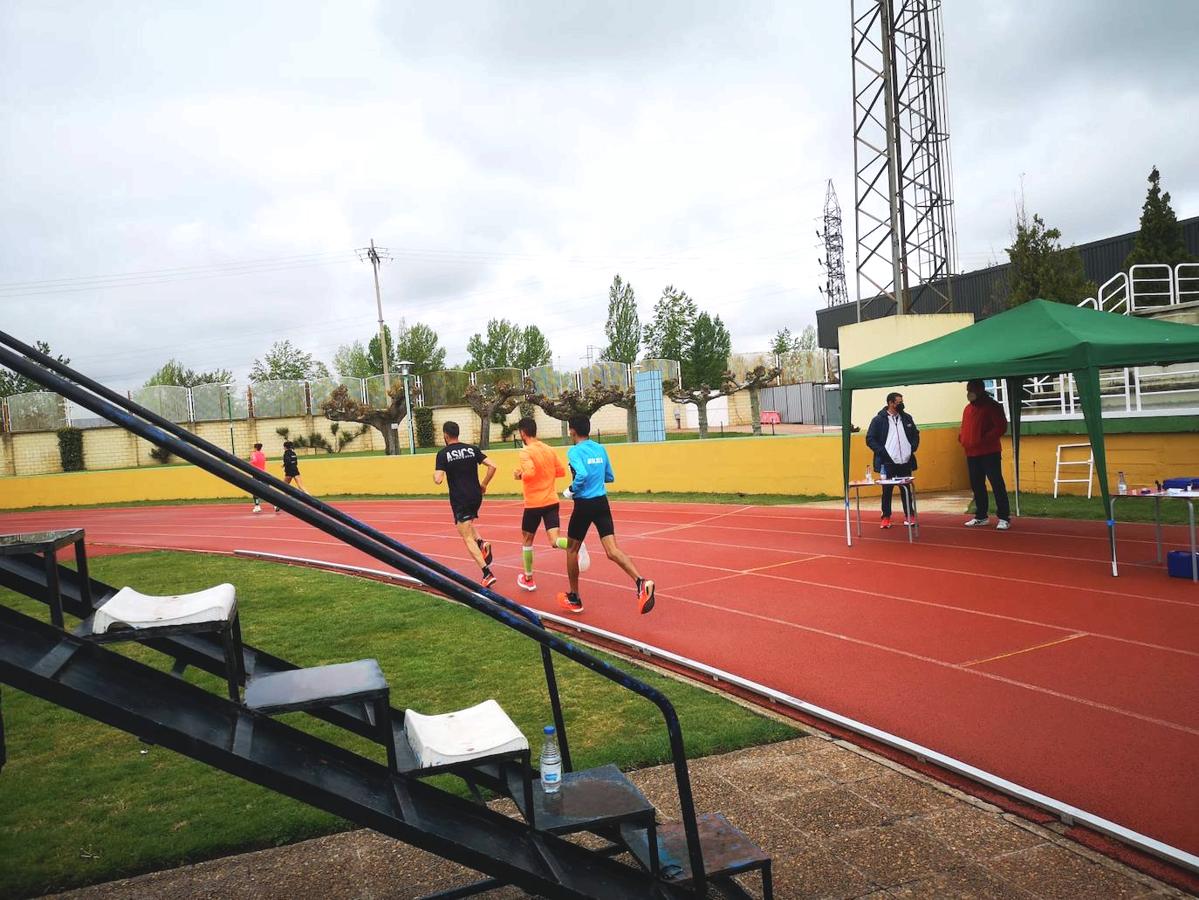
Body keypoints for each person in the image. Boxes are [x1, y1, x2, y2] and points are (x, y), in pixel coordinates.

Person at [557, 415, 655, 615]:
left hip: (584, 504)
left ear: (572, 431)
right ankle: (640, 582)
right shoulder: (600, 449)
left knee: (571, 550)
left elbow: (582, 475)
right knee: (612, 550)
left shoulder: (574, 451)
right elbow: (609, 476)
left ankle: (574, 597)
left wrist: (571, 489)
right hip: (602, 503)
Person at [513, 417, 589, 592]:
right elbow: (561, 471)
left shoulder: (525, 452)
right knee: (554, 541)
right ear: (535, 431)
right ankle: (576, 544)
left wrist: (520, 475)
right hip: (551, 501)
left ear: (523, 433)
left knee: (527, 540)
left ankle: (529, 578)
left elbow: (530, 473)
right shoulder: (548, 449)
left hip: (533, 503)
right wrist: (545, 473)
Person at [434, 421, 499, 588]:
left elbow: (438, 480)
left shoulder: (443, 454)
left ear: (446, 435)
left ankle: (487, 573)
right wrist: (484, 484)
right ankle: (482, 543)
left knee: (465, 536)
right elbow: (493, 466)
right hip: (476, 495)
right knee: (467, 523)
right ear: (458, 433)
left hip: (460, 497)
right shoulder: (472, 449)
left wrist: (437, 475)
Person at [960, 379, 1011, 530]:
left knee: (996, 483)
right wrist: (962, 438)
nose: (969, 393)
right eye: (968, 390)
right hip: (971, 452)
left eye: (972, 390)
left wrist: (983, 439)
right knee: (977, 485)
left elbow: (1000, 427)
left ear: (980, 390)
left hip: (989, 452)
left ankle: (1003, 517)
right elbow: (964, 427)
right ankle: (981, 516)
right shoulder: (967, 409)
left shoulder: (993, 406)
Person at [864, 392, 920, 528]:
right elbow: (870, 439)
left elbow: (915, 434)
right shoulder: (878, 420)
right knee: (887, 491)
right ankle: (886, 517)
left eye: (901, 401)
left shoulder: (907, 418)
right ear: (890, 403)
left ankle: (909, 515)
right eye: (898, 402)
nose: (901, 404)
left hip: (905, 461)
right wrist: (883, 452)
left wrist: (911, 448)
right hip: (887, 462)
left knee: (905, 489)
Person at [274, 440, 306, 512]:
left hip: (289, 472)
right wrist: (286, 464)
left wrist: (284, 465)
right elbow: (295, 462)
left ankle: (280, 503)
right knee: (301, 486)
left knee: (284, 487)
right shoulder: (293, 453)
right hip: (295, 470)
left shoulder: (286, 453)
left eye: (283, 447)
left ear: (285, 447)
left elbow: (287, 462)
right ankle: (311, 499)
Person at [249, 442, 267, 514]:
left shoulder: (254, 454)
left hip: (256, 473)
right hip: (263, 473)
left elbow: (254, 461)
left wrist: (249, 463)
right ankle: (275, 504)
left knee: (254, 489)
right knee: (267, 489)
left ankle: (257, 506)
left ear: (255, 448)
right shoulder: (263, 454)